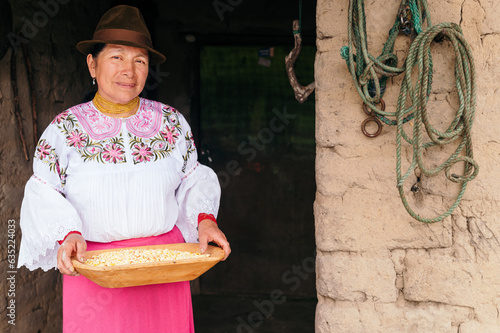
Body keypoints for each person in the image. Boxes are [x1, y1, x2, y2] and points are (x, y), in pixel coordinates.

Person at [17, 5, 231, 332]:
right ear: (92, 62)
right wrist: (69, 233)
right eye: (117, 57)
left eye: (139, 61)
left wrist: (205, 220)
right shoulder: (64, 129)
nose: (128, 71)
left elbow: (192, 179)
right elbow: (43, 190)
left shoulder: (171, 123)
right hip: (95, 269)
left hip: (164, 266)